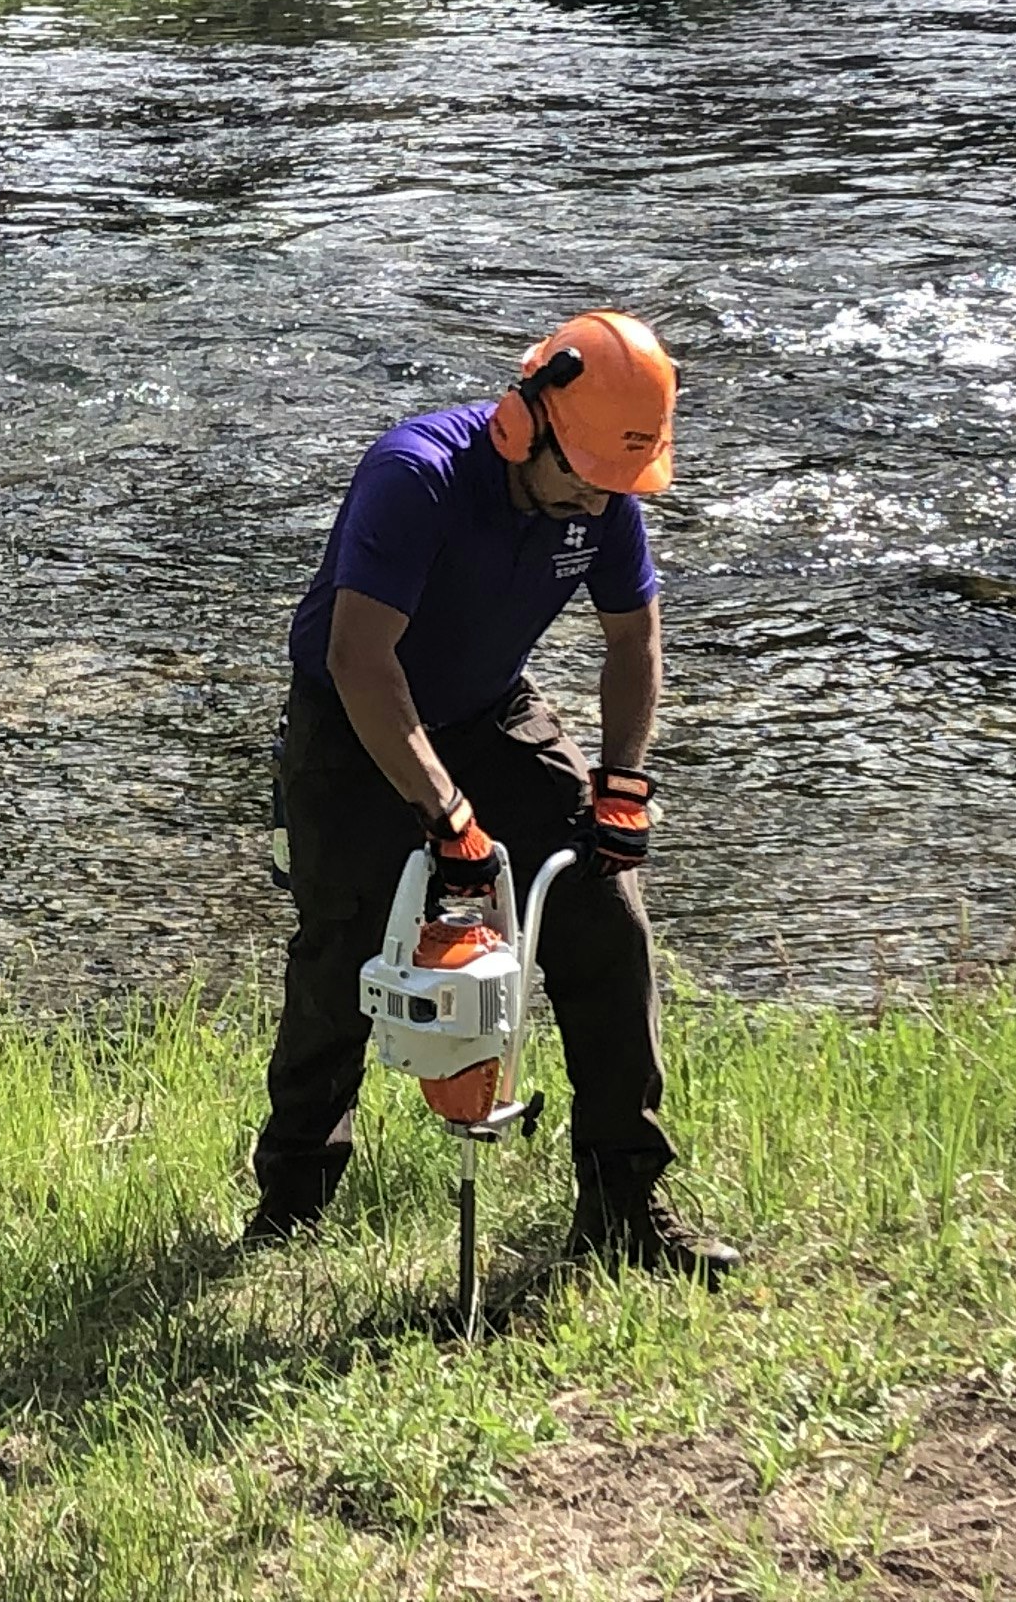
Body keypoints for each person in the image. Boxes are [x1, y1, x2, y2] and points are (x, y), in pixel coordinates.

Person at [247, 311, 737, 1279]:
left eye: (618, 486)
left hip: (490, 711)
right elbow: (359, 657)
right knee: (345, 959)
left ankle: (624, 1205)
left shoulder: (603, 485)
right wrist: (445, 815)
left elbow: (633, 640)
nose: (601, 506)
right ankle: (290, 1212)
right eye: (586, 480)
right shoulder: (415, 475)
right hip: (354, 725)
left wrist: (623, 782)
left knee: (606, 923)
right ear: (524, 424)